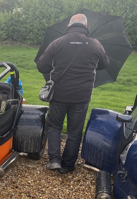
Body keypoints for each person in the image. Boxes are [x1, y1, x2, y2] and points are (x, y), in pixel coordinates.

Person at [36, 14, 109, 174]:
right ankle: (68, 165)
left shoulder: (57, 42)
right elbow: (105, 64)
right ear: (85, 25)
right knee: (74, 132)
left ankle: (54, 160)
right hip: (82, 96)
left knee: (55, 127)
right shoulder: (95, 44)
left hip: (59, 94)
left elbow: (42, 66)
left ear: (69, 25)